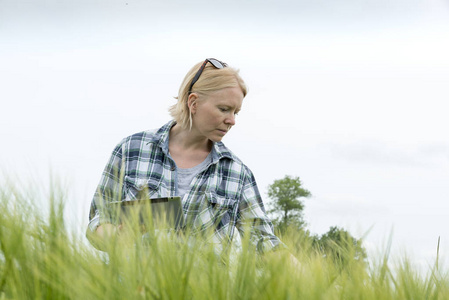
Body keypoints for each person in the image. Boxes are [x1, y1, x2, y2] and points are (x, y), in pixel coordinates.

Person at [86, 58, 286, 256]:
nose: (231, 120)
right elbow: (99, 218)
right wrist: (118, 238)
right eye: (224, 109)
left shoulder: (236, 172)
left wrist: (308, 274)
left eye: (236, 112)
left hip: (206, 288)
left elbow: (264, 242)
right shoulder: (132, 149)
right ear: (193, 102)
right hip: (131, 286)